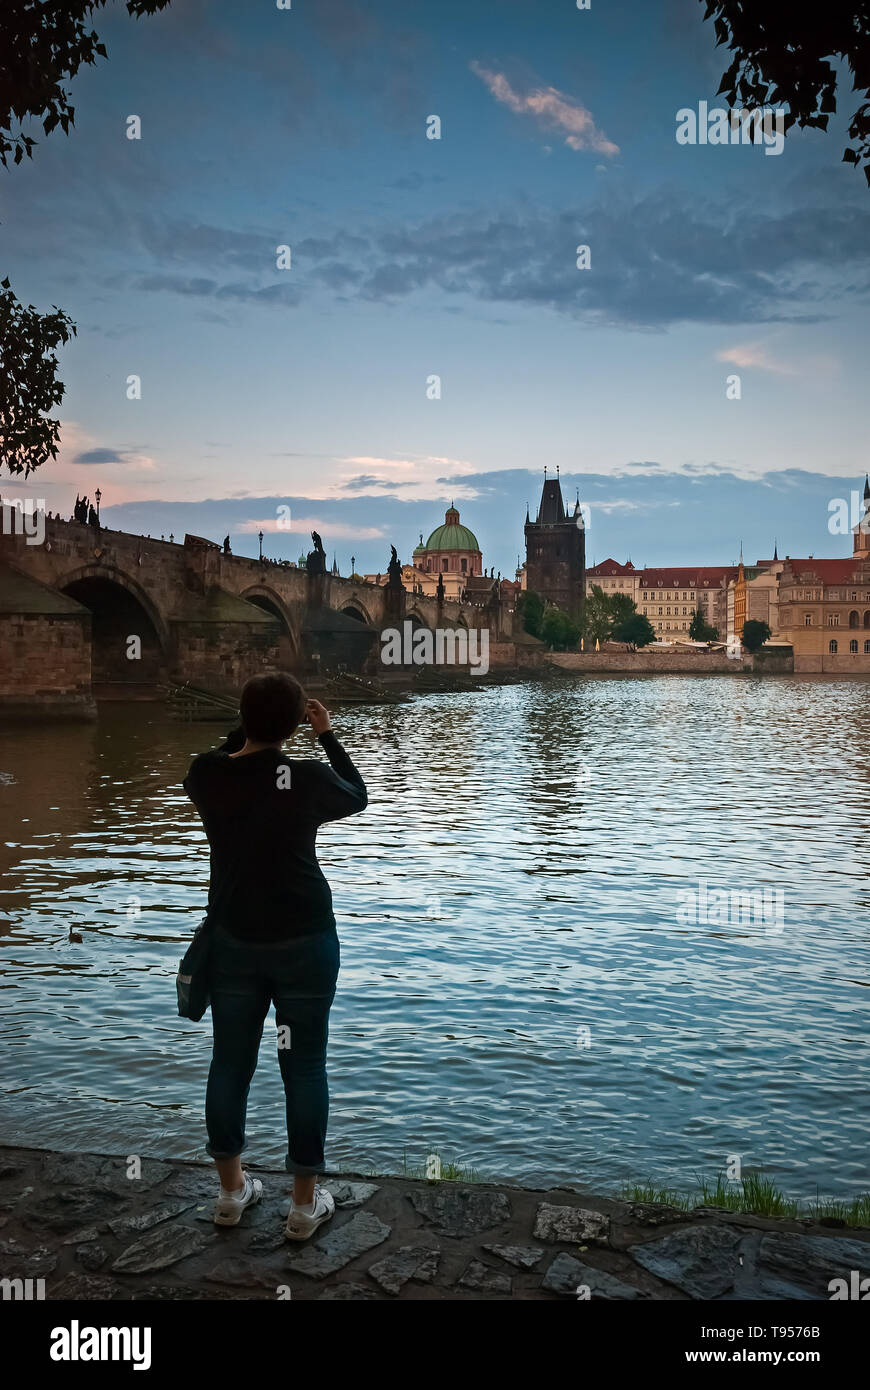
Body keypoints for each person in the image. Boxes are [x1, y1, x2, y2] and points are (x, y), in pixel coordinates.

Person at [183, 673, 367, 1239]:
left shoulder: (207, 774)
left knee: (230, 1063)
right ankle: (303, 1205)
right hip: (304, 938)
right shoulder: (305, 777)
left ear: (243, 718)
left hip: (235, 939)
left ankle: (231, 1193)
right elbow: (356, 795)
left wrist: (251, 730)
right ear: (293, 726)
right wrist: (326, 736)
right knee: (305, 1065)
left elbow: (228, 758)